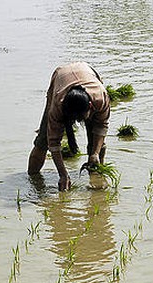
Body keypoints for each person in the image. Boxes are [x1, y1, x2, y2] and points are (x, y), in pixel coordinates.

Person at [28, 62, 110, 191]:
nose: (77, 122)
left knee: (97, 145)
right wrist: (63, 175)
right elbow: (53, 143)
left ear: (90, 106)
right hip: (60, 79)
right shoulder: (58, 105)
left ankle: (97, 185)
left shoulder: (101, 97)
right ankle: (33, 180)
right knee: (43, 141)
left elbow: (102, 127)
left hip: (86, 72)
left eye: (80, 118)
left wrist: (94, 153)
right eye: (74, 119)